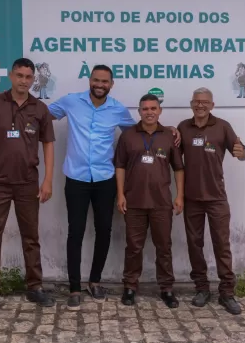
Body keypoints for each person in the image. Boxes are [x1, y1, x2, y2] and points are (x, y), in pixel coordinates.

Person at [47, 65, 180, 310]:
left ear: (111, 84)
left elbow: (142, 130)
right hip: (76, 178)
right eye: (96, 80)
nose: (100, 84)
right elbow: (41, 114)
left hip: (105, 179)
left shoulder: (118, 109)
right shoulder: (70, 101)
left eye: (104, 81)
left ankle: (94, 281)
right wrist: (8, 102)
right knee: (75, 233)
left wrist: (168, 129)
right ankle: (74, 287)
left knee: (104, 231)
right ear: (90, 80)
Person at [0, 58, 56, 315]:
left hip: (27, 183)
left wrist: (47, 179)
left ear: (34, 79)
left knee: (31, 237)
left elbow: (48, 145)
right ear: (11, 76)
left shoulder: (40, 109)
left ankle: (35, 286)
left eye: (28, 76)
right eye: (19, 75)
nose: (23, 80)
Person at [177, 87, 245, 315]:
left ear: (212, 105)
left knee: (221, 245)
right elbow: (172, 153)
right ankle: (202, 288)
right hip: (191, 198)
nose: (200, 105)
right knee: (194, 245)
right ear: (191, 104)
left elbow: (241, 151)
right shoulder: (183, 127)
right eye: (196, 101)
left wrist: (242, 152)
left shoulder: (222, 126)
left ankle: (227, 293)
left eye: (205, 102)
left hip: (217, 197)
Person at [114, 93, 184, 308]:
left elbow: (179, 168)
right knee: (133, 247)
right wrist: (120, 194)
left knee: (164, 247)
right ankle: (130, 287)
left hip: (161, 202)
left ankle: (167, 289)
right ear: (139, 111)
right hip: (133, 201)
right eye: (145, 109)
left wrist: (179, 195)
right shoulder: (128, 136)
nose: (149, 112)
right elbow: (120, 166)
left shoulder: (169, 137)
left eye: (153, 108)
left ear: (160, 111)